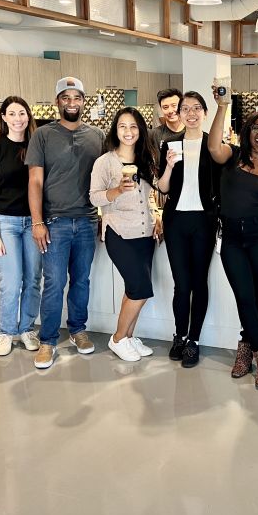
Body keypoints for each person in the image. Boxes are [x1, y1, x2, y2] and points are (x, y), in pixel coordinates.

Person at [26, 77, 106, 369]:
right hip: (55, 222)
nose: (71, 103)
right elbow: (35, 181)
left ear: (84, 101)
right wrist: (37, 222)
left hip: (87, 221)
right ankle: (47, 341)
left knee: (81, 281)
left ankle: (77, 331)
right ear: (57, 101)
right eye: (66, 97)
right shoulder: (43, 135)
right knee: (55, 283)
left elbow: (107, 178)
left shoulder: (97, 135)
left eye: (77, 98)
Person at [208, 103, 258, 389]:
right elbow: (213, 145)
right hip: (231, 237)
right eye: (257, 127)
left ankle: (244, 348)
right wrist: (221, 106)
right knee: (244, 294)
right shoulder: (233, 155)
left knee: (257, 294)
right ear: (248, 130)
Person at [90, 107, 162, 362]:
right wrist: (118, 191)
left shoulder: (146, 158)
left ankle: (129, 337)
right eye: (122, 126)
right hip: (119, 233)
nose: (128, 131)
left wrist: (157, 216)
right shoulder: (105, 162)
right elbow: (94, 196)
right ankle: (118, 338)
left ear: (140, 130)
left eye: (133, 126)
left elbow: (152, 194)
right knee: (140, 289)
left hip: (145, 232)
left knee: (134, 288)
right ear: (115, 129)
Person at [157, 91, 221, 368]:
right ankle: (179, 335)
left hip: (204, 221)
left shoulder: (213, 145)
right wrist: (169, 166)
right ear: (178, 114)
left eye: (197, 108)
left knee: (199, 282)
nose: (191, 113)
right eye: (186, 109)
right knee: (181, 284)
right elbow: (163, 187)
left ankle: (194, 340)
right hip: (176, 221)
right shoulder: (169, 144)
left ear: (205, 113)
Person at [0, 96, 41, 357]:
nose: (18, 118)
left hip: (35, 222)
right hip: (6, 222)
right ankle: (6, 331)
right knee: (11, 281)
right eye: (12, 113)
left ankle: (27, 328)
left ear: (28, 116)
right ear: (3, 117)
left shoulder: (36, 145)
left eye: (22, 113)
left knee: (33, 280)